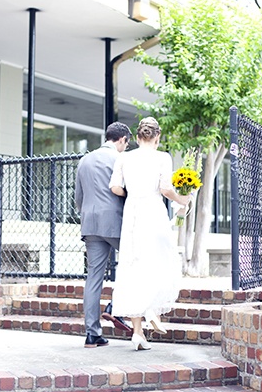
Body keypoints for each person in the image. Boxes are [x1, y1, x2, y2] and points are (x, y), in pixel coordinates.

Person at [109, 116, 191, 351]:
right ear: (157, 137)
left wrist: (131, 193)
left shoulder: (124, 157)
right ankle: (150, 310)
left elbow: (115, 187)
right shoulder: (162, 157)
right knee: (159, 261)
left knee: (133, 265)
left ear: (136, 137)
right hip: (153, 212)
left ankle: (137, 333)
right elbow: (165, 188)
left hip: (133, 213)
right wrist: (182, 199)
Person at [75, 121, 134, 348]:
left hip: (90, 223)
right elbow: (126, 191)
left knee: (93, 278)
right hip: (115, 221)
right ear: (122, 140)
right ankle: (114, 307)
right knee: (133, 262)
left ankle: (92, 334)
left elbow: (78, 198)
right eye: (126, 144)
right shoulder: (120, 159)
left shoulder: (84, 160)